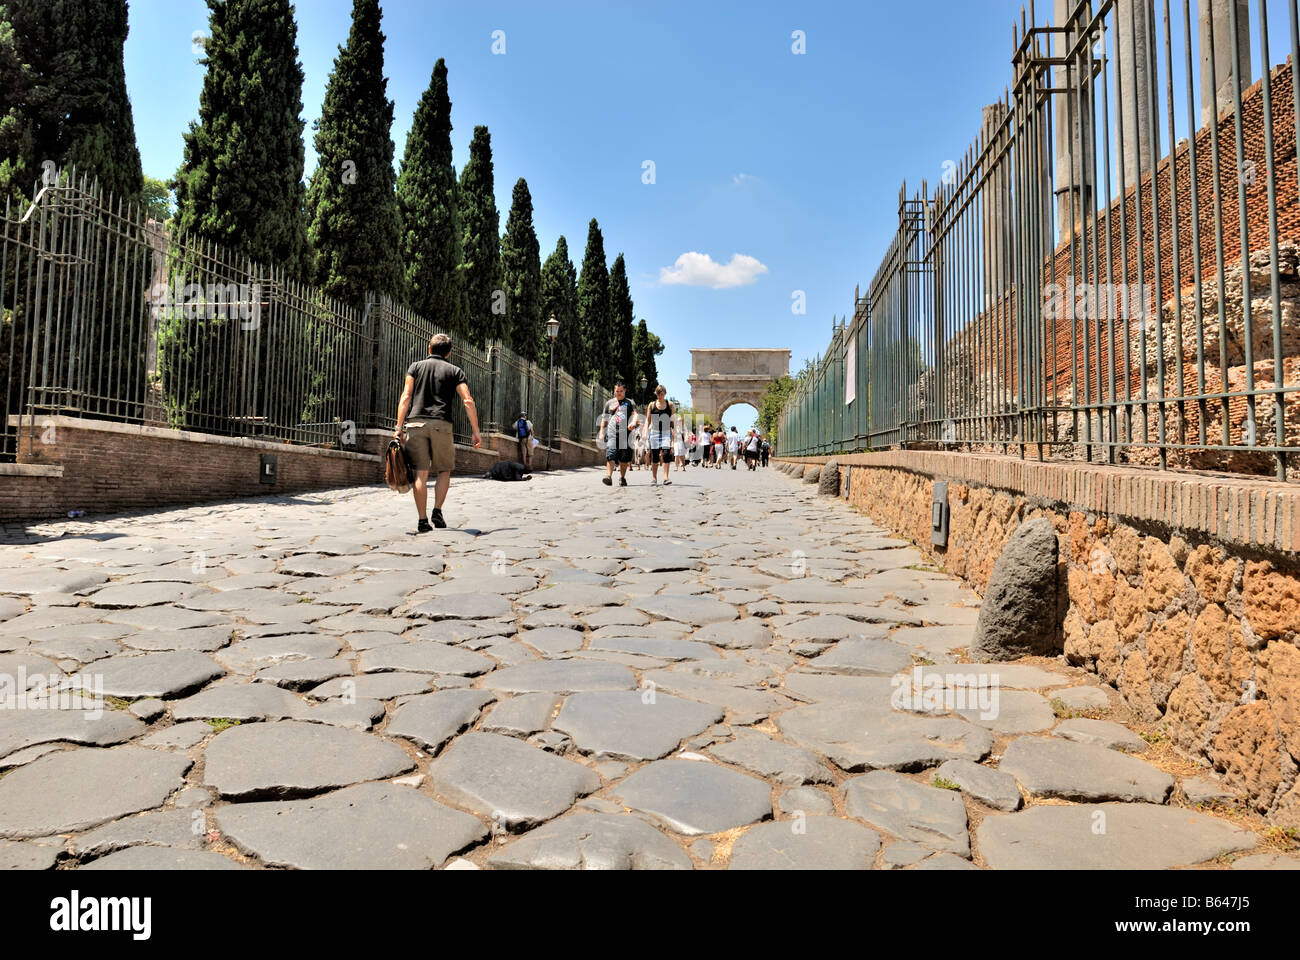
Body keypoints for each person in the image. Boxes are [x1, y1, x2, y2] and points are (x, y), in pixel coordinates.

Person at [394, 333, 481, 533]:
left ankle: (422, 520)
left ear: (429, 349)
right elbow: (468, 400)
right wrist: (475, 431)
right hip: (442, 425)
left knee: (420, 474)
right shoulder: (455, 371)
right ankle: (437, 510)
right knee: (444, 470)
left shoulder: (415, 367)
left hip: (415, 424)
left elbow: (406, 396)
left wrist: (398, 428)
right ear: (448, 353)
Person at [599, 381, 639, 487]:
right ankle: (608, 476)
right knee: (610, 454)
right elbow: (604, 419)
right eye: (617, 391)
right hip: (612, 433)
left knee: (624, 458)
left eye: (621, 391)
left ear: (624, 391)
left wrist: (633, 422)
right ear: (614, 391)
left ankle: (622, 478)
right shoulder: (609, 403)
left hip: (625, 434)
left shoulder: (630, 402)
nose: (619, 393)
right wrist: (601, 432)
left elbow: (635, 415)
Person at [643, 384, 675, 487]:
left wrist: (673, 432)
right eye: (658, 394)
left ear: (665, 394)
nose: (659, 396)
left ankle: (666, 478)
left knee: (666, 454)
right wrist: (645, 430)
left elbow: (672, 420)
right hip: (654, 432)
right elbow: (648, 420)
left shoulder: (669, 405)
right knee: (655, 456)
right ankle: (654, 478)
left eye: (661, 394)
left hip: (666, 432)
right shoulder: (652, 405)